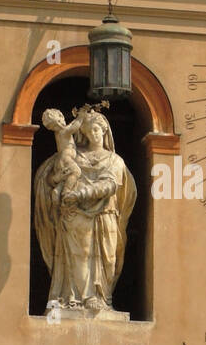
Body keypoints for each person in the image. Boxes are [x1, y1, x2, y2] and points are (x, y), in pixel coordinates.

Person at [34, 104, 136, 314]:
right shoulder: (73, 156)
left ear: (105, 131)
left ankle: (102, 296)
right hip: (74, 215)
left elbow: (110, 185)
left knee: (107, 257)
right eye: (88, 131)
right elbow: (53, 177)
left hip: (105, 214)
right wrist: (59, 186)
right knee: (80, 255)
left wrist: (78, 194)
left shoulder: (115, 161)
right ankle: (76, 298)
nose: (93, 135)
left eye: (96, 130)